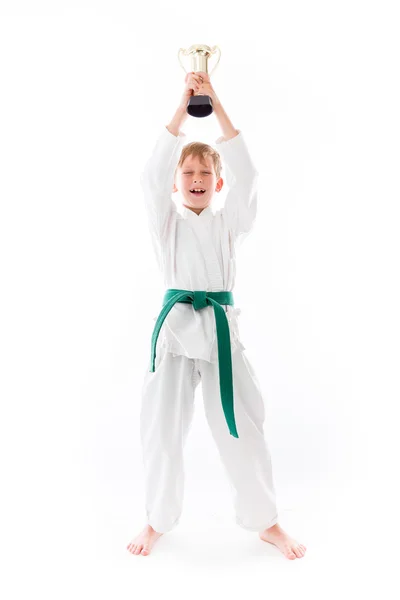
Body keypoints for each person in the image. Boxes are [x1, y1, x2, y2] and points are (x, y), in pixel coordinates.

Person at [127, 71, 307, 560]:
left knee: (243, 422)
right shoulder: (166, 223)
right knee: (161, 425)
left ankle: (265, 520)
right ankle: (156, 519)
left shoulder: (230, 223)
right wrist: (184, 104)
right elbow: (149, 176)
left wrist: (215, 101)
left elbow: (249, 175)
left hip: (221, 331)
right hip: (176, 332)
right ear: (175, 182)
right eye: (187, 174)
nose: (198, 181)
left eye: (206, 174)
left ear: (218, 181)